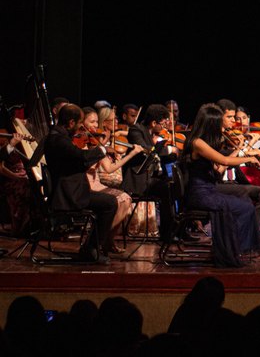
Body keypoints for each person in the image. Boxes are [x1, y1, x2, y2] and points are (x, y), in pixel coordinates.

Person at [180, 103, 260, 267]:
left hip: (207, 190)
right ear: (211, 123)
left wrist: (239, 148)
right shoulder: (197, 143)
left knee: (245, 202)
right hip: (200, 194)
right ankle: (233, 249)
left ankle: (231, 248)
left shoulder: (204, 142)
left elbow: (218, 169)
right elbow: (224, 160)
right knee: (244, 208)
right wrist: (248, 158)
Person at [43, 104, 117, 262]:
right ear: (70, 123)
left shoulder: (59, 137)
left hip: (72, 191)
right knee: (110, 203)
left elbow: (78, 161)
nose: (80, 127)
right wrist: (102, 150)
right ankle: (91, 249)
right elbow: (81, 157)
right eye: (79, 123)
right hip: (68, 195)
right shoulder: (58, 140)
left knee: (108, 201)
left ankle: (91, 248)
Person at [81, 107, 144, 253]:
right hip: (86, 185)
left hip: (97, 183)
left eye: (97, 121)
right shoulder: (82, 143)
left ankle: (108, 240)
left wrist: (132, 153)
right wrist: (101, 147)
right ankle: (96, 241)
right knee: (119, 200)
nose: (96, 125)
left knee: (126, 199)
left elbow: (109, 168)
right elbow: (85, 165)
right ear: (82, 123)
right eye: (92, 122)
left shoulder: (96, 142)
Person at [215, 99, 260, 232]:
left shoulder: (228, 135)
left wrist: (249, 148)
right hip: (220, 183)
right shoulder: (216, 138)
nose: (234, 122)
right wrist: (247, 151)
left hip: (235, 181)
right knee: (247, 200)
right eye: (230, 117)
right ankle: (246, 234)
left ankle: (251, 232)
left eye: (233, 117)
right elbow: (224, 158)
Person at [121, 103, 177, 240]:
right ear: (153, 123)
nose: (164, 127)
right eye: (162, 124)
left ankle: (172, 230)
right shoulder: (136, 130)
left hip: (151, 178)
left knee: (173, 185)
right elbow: (145, 149)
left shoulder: (154, 134)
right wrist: (168, 150)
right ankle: (168, 233)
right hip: (139, 180)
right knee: (166, 188)